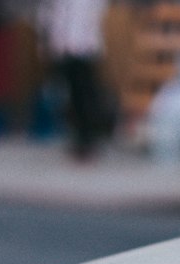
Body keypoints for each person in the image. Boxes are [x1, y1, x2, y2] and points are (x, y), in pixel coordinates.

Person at [37, 0, 109, 158]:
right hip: (64, 45)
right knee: (72, 94)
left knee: (85, 94)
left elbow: (92, 14)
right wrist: (46, 42)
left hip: (84, 46)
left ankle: (88, 137)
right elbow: (48, 14)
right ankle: (79, 135)